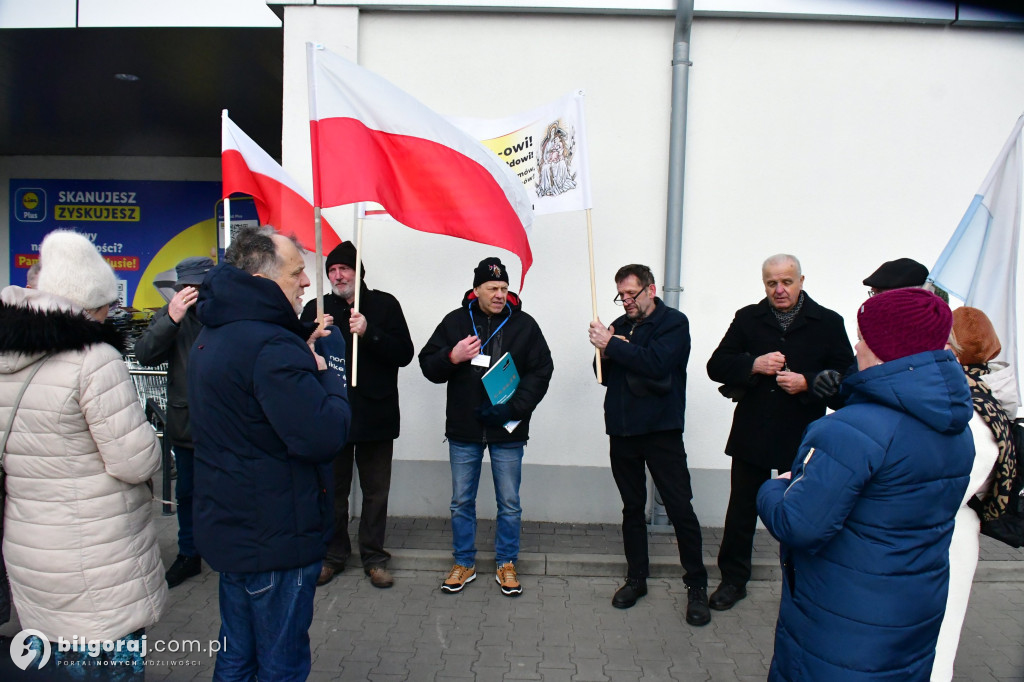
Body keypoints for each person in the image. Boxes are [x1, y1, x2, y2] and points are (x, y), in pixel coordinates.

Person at [756, 287, 974, 680]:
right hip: (912, 611)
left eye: (862, 337)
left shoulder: (851, 429)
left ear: (880, 347)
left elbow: (798, 524)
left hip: (844, 622)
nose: (856, 346)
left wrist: (775, 488)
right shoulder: (956, 426)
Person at [0, 230, 166, 676]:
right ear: (90, 304)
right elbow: (135, 461)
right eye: (106, 306)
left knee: (53, 662)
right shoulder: (94, 358)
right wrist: (149, 436)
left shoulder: (7, 351)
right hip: (96, 556)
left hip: (30, 546)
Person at [188, 226, 351, 680]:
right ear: (263, 278)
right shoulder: (270, 346)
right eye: (298, 272)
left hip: (235, 529)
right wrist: (327, 372)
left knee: (237, 655)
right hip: (277, 536)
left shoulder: (214, 332)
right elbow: (324, 435)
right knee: (279, 664)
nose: (306, 283)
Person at [706, 254, 853, 611]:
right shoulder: (748, 318)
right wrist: (752, 364)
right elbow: (716, 365)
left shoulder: (828, 322)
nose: (780, 289)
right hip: (753, 430)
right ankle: (733, 579)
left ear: (802, 280)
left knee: (806, 510)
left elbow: (848, 380)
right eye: (772, 283)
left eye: (786, 281)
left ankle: (806, 580)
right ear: (764, 285)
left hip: (804, 435)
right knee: (742, 508)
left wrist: (809, 383)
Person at [419, 257, 553, 597]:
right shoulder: (454, 322)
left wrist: (514, 407)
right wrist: (452, 357)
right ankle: (464, 562)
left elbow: (542, 371)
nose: (499, 294)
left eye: (504, 288)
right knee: (461, 501)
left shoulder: (524, 325)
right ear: (476, 289)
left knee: (509, 502)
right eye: (492, 288)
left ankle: (506, 562)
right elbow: (427, 364)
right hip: (464, 429)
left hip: (507, 429)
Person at [587, 264, 710, 626]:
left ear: (650, 290)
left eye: (631, 294)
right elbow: (602, 375)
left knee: (679, 508)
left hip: (661, 431)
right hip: (623, 430)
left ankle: (697, 585)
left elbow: (657, 364)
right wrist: (604, 352)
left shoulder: (673, 323)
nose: (625, 301)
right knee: (631, 508)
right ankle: (636, 578)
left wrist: (615, 346)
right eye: (621, 295)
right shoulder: (619, 326)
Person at [300, 241, 414, 589]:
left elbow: (405, 353)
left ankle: (374, 558)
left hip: (376, 415)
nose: (338, 275)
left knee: (375, 491)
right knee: (332, 490)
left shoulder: (384, 304)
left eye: (344, 269)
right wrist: (311, 334)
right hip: (331, 414)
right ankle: (333, 555)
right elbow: (292, 354)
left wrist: (370, 332)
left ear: (357, 272)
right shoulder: (316, 308)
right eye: (332, 270)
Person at [932, 307, 1017, 681]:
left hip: (943, 530)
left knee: (935, 638)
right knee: (942, 634)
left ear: (951, 350)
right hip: (960, 526)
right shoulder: (990, 398)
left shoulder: (961, 407)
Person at [133, 256, 214, 589]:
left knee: (228, 492)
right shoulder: (170, 318)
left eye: (200, 286)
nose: (193, 293)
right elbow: (144, 353)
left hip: (225, 423)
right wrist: (171, 318)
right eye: (187, 287)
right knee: (188, 492)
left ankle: (227, 551)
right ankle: (188, 554)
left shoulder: (225, 315)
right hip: (187, 422)